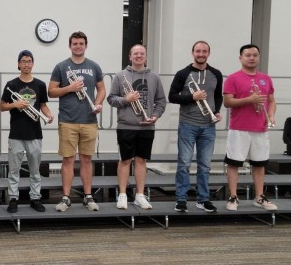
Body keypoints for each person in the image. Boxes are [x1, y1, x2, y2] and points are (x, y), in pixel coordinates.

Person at [48, 31, 105, 212]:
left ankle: (88, 196)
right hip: (68, 120)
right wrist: (70, 88)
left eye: (81, 43)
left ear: (86, 46)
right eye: (75, 43)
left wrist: (97, 103)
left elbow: (102, 90)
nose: (78, 46)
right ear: (70, 46)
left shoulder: (94, 66)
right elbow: (51, 91)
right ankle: (66, 198)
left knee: (87, 159)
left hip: (89, 120)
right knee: (68, 160)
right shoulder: (61, 66)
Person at [107, 44, 166, 210]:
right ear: (130, 56)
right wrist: (127, 99)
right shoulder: (120, 76)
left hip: (147, 127)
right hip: (126, 126)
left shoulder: (154, 77)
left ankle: (140, 195)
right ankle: (123, 195)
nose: (139, 56)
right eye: (136, 53)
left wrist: (155, 115)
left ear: (146, 57)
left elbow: (161, 101)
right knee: (125, 160)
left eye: (142, 53)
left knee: (141, 161)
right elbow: (111, 99)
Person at [169, 41, 223, 213]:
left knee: (205, 165)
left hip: (208, 126)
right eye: (198, 51)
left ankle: (203, 199)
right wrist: (192, 96)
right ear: (193, 52)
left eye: (204, 51)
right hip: (187, 124)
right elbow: (172, 97)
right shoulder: (183, 73)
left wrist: (217, 111)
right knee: (184, 163)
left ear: (209, 53)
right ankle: (181, 199)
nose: (201, 54)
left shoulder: (216, 74)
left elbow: (218, 96)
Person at [224, 44, 277, 211]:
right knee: (234, 163)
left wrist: (272, 115)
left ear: (259, 57)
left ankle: (259, 197)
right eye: (248, 55)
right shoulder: (233, 78)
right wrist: (249, 100)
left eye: (255, 55)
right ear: (240, 58)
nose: (252, 58)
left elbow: (271, 101)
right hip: (239, 128)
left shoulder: (266, 78)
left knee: (259, 164)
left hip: (260, 128)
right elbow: (227, 102)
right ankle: (233, 197)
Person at [0, 50, 53, 213]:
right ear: (18, 64)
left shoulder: (40, 85)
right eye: (23, 61)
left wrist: (48, 114)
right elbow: (2, 106)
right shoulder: (11, 85)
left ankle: (35, 198)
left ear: (33, 63)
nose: (26, 64)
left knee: (35, 170)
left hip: (34, 133)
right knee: (14, 170)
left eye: (29, 61)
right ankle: (13, 198)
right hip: (16, 133)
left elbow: (43, 105)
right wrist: (15, 105)